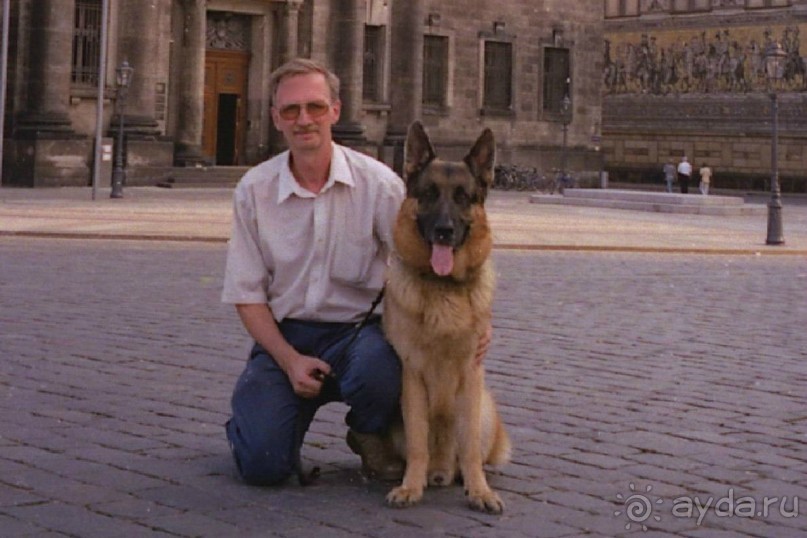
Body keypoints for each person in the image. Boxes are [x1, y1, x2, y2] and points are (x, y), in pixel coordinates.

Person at [221, 58, 489, 487]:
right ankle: (255, 423)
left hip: (360, 335)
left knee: (384, 372)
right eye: (291, 110)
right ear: (275, 118)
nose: (304, 119)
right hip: (286, 336)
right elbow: (246, 294)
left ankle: (368, 431)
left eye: (315, 107)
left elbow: (432, 254)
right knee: (263, 465)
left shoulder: (380, 185)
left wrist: (475, 321)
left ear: (335, 111)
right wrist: (289, 361)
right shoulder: (254, 190)